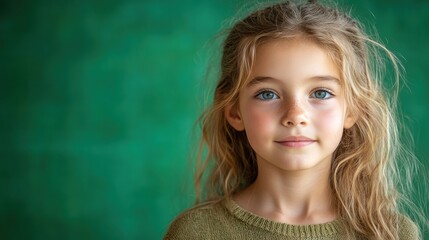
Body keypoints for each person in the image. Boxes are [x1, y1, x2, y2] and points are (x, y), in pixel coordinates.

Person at [165, 0, 425, 239]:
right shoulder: (196, 232)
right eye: (267, 94)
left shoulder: (394, 233)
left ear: (352, 109)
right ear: (234, 111)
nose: (295, 116)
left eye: (321, 93)